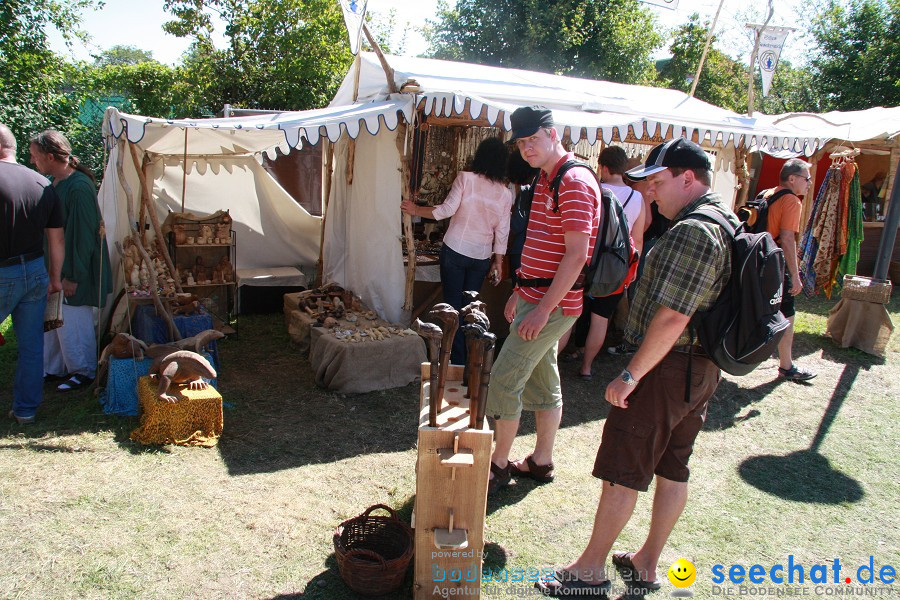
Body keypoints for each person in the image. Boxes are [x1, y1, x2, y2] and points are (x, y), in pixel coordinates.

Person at [537, 137, 734, 596]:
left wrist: (630, 375)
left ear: (688, 178)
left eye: (659, 182)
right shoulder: (720, 218)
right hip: (696, 369)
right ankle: (646, 563)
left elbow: (672, 317)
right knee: (673, 467)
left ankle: (588, 572)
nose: (651, 191)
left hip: (665, 368)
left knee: (622, 468)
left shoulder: (694, 230)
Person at [484, 106, 599, 494]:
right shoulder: (549, 177)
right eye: (520, 142)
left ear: (553, 134)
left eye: (533, 139)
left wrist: (544, 309)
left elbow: (576, 254)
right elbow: (540, 243)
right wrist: (520, 289)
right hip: (536, 296)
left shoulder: (574, 181)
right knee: (541, 377)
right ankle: (541, 460)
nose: (526, 148)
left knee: (503, 379)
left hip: (552, 304)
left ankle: (497, 465)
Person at [401, 137, 513, 365]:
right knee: (470, 309)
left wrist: (415, 209)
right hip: (481, 256)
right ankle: (466, 360)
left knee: (451, 307)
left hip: (455, 250)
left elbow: (445, 210)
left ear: (480, 156)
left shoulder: (466, 178)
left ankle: (452, 358)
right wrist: (498, 262)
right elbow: (502, 232)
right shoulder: (505, 193)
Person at [29, 130, 113, 391]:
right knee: (54, 320)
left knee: (73, 321)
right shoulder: (57, 182)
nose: (33, 162)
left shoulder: (78, 187)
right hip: (56, 267)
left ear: (51, 157)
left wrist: (73, 275)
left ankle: (83, 370)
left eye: (35, 156)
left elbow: (83, 235)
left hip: (75, 268)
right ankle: (55, 367)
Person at [557, 145, 645, 379]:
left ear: (603, 167)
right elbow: (637, 240)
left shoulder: (591, 188)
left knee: (568, 315)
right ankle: (586, 367)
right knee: (601, 318)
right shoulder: (637, 197)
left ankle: (551, 365)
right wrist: (631, 270)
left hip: (583, 264)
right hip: (614, 268)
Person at [0, 123, 65, 423]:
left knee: (30, 344)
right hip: (36, 271)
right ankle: (26, 410)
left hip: (4, 272)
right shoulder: (43, 184)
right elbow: (57, 239)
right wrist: (54, 278)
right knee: (31, 345)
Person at [759, 159, 816, 382]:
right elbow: (787, 238)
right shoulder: (792, 201)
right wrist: (794, 275)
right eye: (806, 178)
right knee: (788, 314)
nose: (809, 183)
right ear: (792, 179)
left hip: (758, 259)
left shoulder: (767, 193)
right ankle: (786, 365)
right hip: (775, 264)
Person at [506, 151, 540, 285]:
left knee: (519, 289)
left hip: (521, 249)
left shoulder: (526, 191)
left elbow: (517, 224)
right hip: (538, 250)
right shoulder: (544, 188)